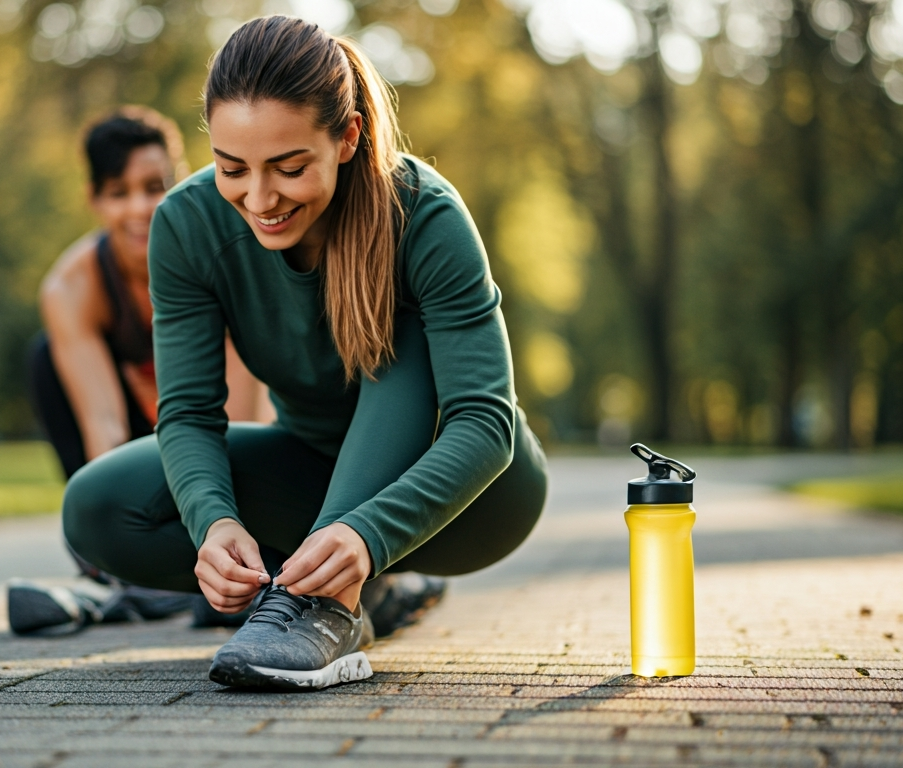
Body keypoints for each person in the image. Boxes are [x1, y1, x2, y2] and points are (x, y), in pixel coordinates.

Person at [62, 16, 548, 690]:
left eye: (289, 168)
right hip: (312, 469)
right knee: (99, 506)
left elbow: (485, 424)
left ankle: (327, 605)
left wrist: (368, 534)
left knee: (396, 323)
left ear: (346, 137)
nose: (259, 200)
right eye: (233, 168)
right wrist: (215, 522)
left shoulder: (424, 213)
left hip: (475, 501)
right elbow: (191, 414)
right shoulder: (186, 224)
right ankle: (352, 590)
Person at [11, 108, 272, 635]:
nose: (140, 208)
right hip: (144, 447)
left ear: (181, 181)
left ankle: (193, 574)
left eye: (155, 186)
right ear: (94, 199)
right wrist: (119, 526)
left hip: (222, 446)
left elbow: (245, 428)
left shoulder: (225, 258)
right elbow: (104, 433)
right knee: (44, 359)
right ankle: (127, 572)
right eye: (118, 192)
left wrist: (225, 533)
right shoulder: (73, 289)